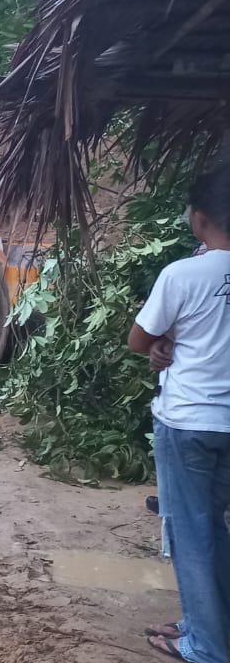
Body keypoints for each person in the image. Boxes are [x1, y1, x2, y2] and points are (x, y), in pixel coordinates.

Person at [130, 167, 230, 663]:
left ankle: (206, 646)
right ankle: (209, 626)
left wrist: (162, 344)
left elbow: (138, 339)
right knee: (214, 525)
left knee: (191, 533)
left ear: (200, 218)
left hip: (189, 420)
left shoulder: (183, 274)